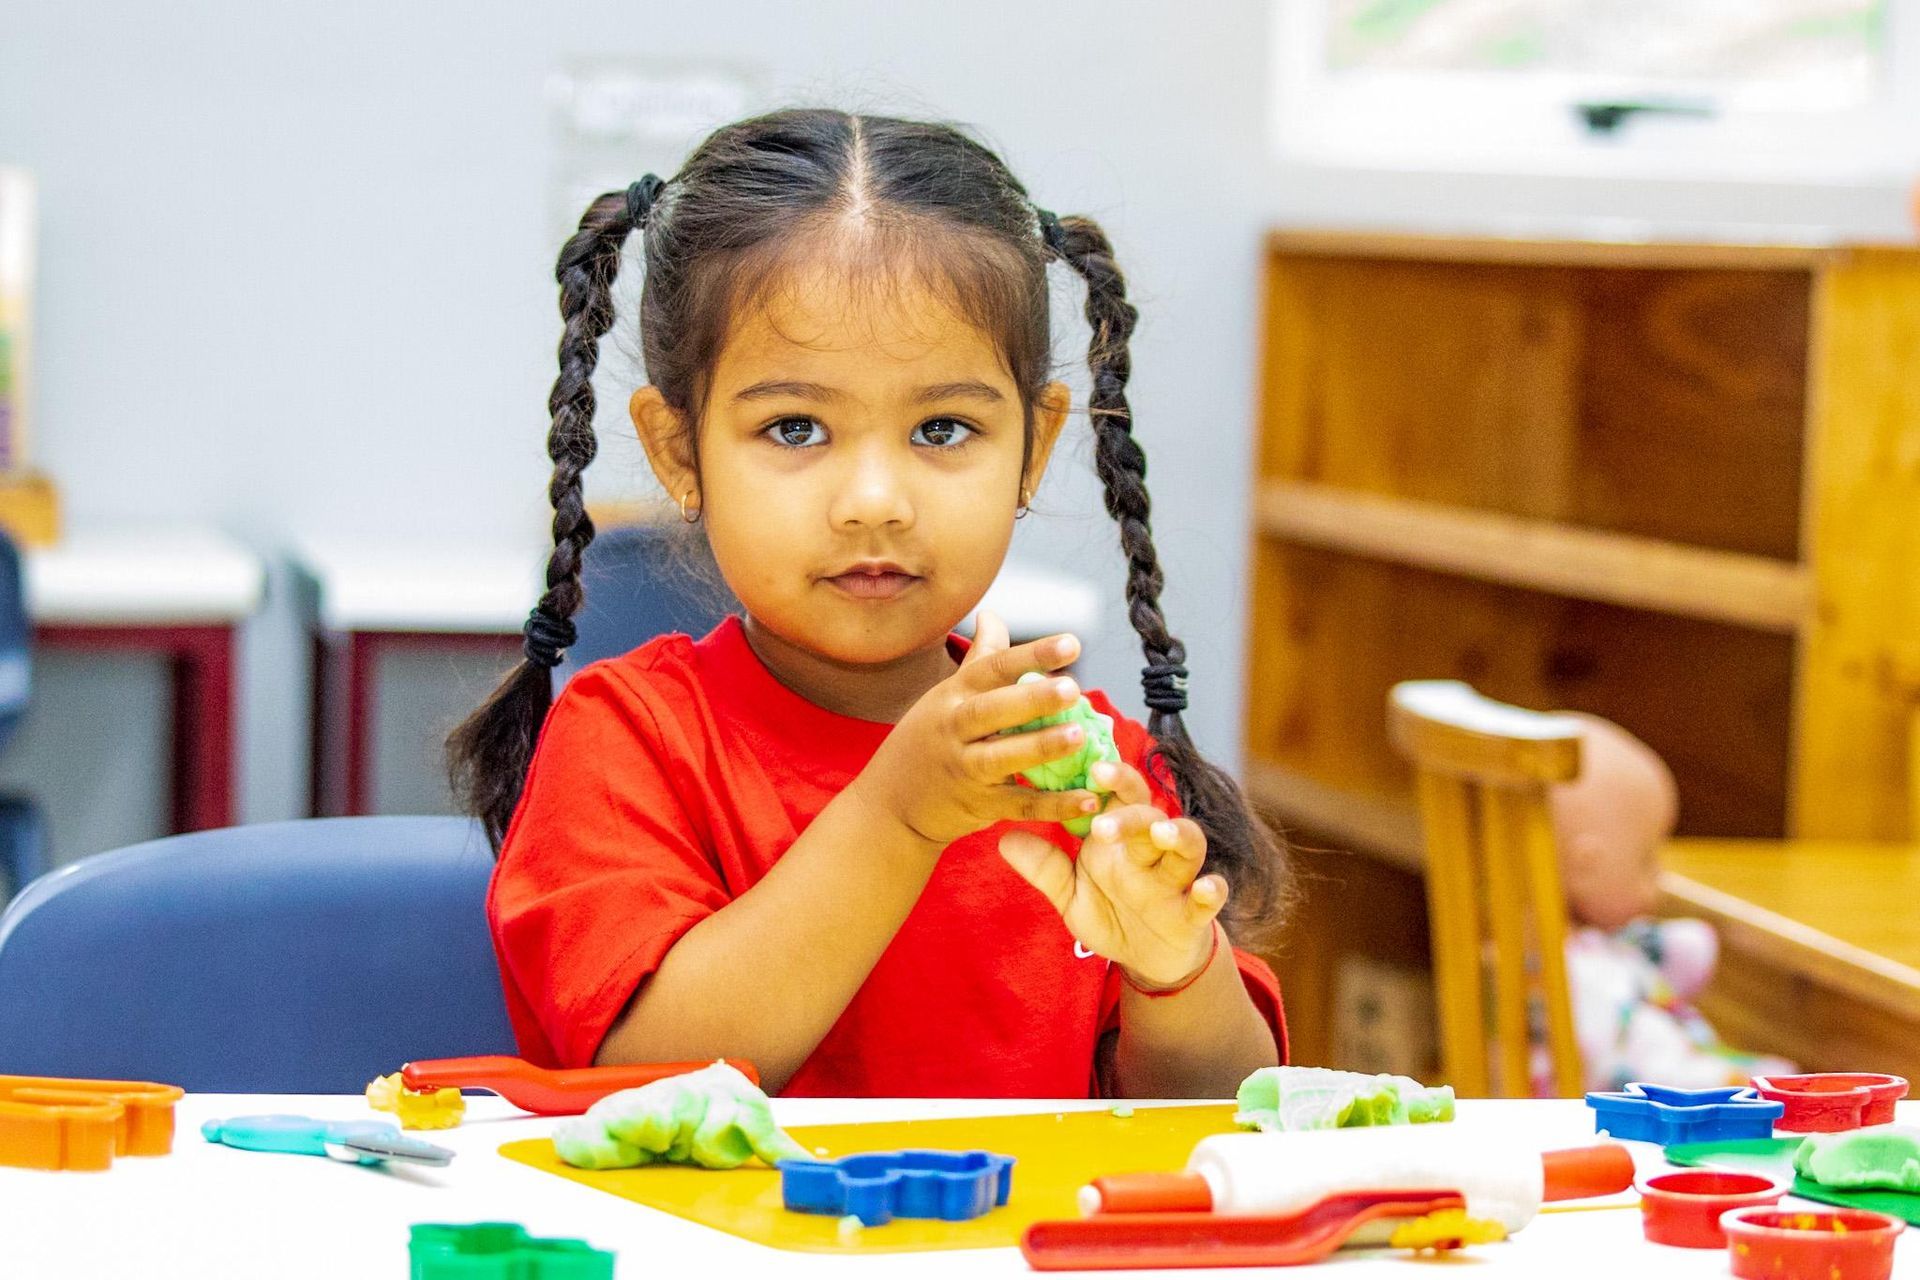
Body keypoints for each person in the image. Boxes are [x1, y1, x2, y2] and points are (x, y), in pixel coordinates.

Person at [449, 109, 1291, 1099]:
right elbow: (652, 1075)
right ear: (681, 451)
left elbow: (1228, 1106)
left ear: (1034, 443)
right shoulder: (626, 741)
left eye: (942, 428)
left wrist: (1173, 970)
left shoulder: (1079, 765)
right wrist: (900, 813)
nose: (876, 502)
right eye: (796, 427)